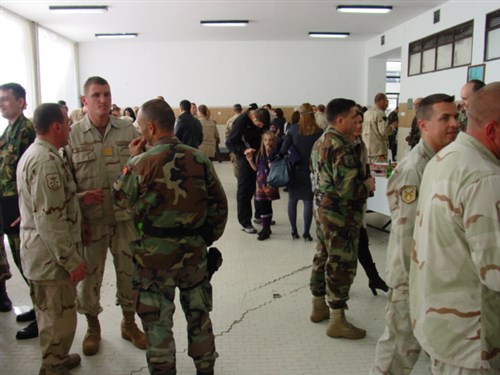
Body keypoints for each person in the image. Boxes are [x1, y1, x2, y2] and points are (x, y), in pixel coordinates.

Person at [113, 98, 228, 375]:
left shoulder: (141, 163)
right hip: (194, 255)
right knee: (199, 317)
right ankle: (205, 368)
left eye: (140, 126)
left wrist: (131, 160)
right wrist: (203, 239)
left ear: (151, 127)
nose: (139, 131)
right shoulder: (199, 157)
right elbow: (220, 206)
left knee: (157, 323)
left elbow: (119, 198)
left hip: (154, 260)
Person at [409, 82, 500, 374]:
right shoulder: (485, 178)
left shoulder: (445, 158)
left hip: (442, 323)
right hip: (471, 339)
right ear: (493, 131)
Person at [370, 93, 459, 375]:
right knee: (399, 348)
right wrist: (414, 283)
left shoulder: (442, 161)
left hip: (432, 274)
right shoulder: (414, 169)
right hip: (412, 275)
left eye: (456, 116)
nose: (455, 124)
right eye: (445, 118)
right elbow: (407, 232)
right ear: (423, 125)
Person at [65, 76, 146, 356]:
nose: (103, 100)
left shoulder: (127, 130)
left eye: (107, 94)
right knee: (89, 279)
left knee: (129, 274)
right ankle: (93, 327)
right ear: (84, 101)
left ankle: (128, 323)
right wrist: (78, 205)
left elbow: (142, 171)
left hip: (125, 219)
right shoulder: (72, 135)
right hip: (91, 222)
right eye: (96, 95)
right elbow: (65, 183)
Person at [17, 102, 87, 375]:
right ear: (56, 126)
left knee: (51, 313)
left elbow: (44, 205)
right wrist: (71, 261)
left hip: (40, 253)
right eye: (67, 123)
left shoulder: (36, 153)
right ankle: (53, 364)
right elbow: (50, 219)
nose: (70, 128)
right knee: (57, 317)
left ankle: (57, 356)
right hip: (51, 259)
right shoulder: (46, 162)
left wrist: (78, 198)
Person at [309, 98, 375, 339]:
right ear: (340, 119)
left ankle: (318, 306)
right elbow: (348, 190)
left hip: (322, 212)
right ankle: (337, 319)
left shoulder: (320, 141)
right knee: (341, 264)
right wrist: (367, 185)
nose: (358, 122)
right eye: (354, 118)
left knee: (323, 255)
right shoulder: (341, 147)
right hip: (340, 216)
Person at [0, 82, 38, 339]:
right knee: (18, 258)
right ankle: (37, 309)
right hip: (6, 203)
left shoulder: (26, 130)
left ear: (21, 102)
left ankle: (42, 315)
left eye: (5, 99)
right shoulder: (9, 130)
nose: (1, 104)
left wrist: (26, 210)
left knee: (28, 262)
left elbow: (31, 175)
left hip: (18, 205)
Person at [351, 109, 388, 296]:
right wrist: (365, 185)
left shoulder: (359, 144)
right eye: (355, 122)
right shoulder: (339, 146)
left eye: (360, 122)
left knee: (362, 241)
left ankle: (374, 278)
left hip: (357, 205)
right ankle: (329, 293)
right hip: (341, 211)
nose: (358, 126)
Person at [280, 103, 322, 241]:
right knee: (308, 201)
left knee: (292, 200)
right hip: (311, 172)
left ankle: (293, 230)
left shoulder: (293, 129)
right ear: (313, 114)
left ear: (300, 114)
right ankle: (306, 232)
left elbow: (283, 149)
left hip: (295, 170)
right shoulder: (319, 131)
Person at [226, 107, 269, 234]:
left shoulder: (263, 118)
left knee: (261, 187)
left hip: (260, 156)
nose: (261, 127)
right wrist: (244, 151)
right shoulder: (241, 121)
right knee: (245, 190)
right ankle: (245, 222)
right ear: (254, 117)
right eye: (259, 125)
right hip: (245, 157)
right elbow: (230, 142)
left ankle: (259, 215)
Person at [245, 131, 280, 241]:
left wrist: (270, 156)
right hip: (259, 182)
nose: (267, 142)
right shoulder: (259, 153)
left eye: (270, 140)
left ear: (273, 141)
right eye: (265, 140)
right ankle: (266, 227)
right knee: (262, 205)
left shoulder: (275, 152)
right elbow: (256, 169)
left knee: (266, 205)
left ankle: (266, 229)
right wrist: (250, 160)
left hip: (270, 182)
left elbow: (273, 167)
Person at [362, 93, 391, 163]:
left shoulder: (366, 113)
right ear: (382, 101)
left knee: (368, 172)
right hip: (378, 152)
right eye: (387, 101)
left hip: (367, 150)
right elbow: (384, 131)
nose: (387, 104)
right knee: (379, 172)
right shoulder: (380, 113)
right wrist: (391, 128)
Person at [225, 104, 243, 178]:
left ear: (234, 110)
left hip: (234, 147)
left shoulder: (229, 121)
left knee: (236, 165)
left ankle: (239, 180)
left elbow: (227, 135)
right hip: (245, 146)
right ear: (241, 110)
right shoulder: (246, 119)